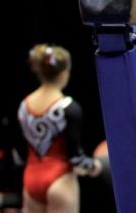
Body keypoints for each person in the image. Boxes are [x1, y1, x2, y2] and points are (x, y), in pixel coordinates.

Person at [15, 43, 102, 213]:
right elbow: (75, 156)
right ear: (64, 73)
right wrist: (93, 166)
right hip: (59, 178)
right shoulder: (67, 107)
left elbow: (18, 155)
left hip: (31, 178)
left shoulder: (24, 106)